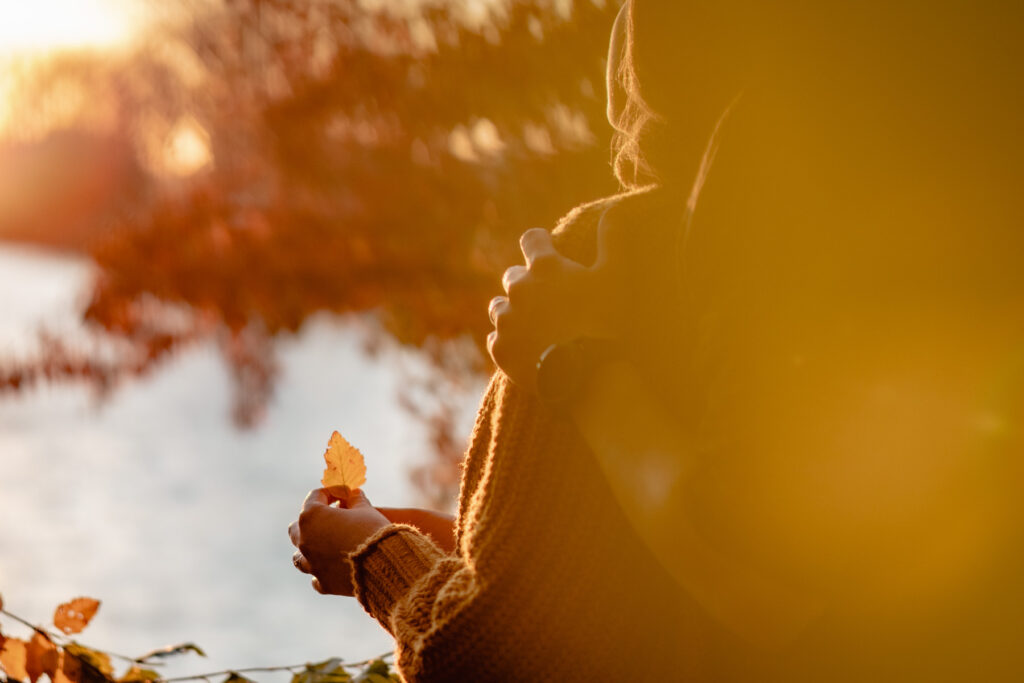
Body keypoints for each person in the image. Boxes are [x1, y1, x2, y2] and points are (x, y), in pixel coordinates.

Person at [291, 1, 1024, 680]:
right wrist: (479, 539)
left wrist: (375, 555)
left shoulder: (613, 259)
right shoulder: (973, 192)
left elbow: (496, 651)